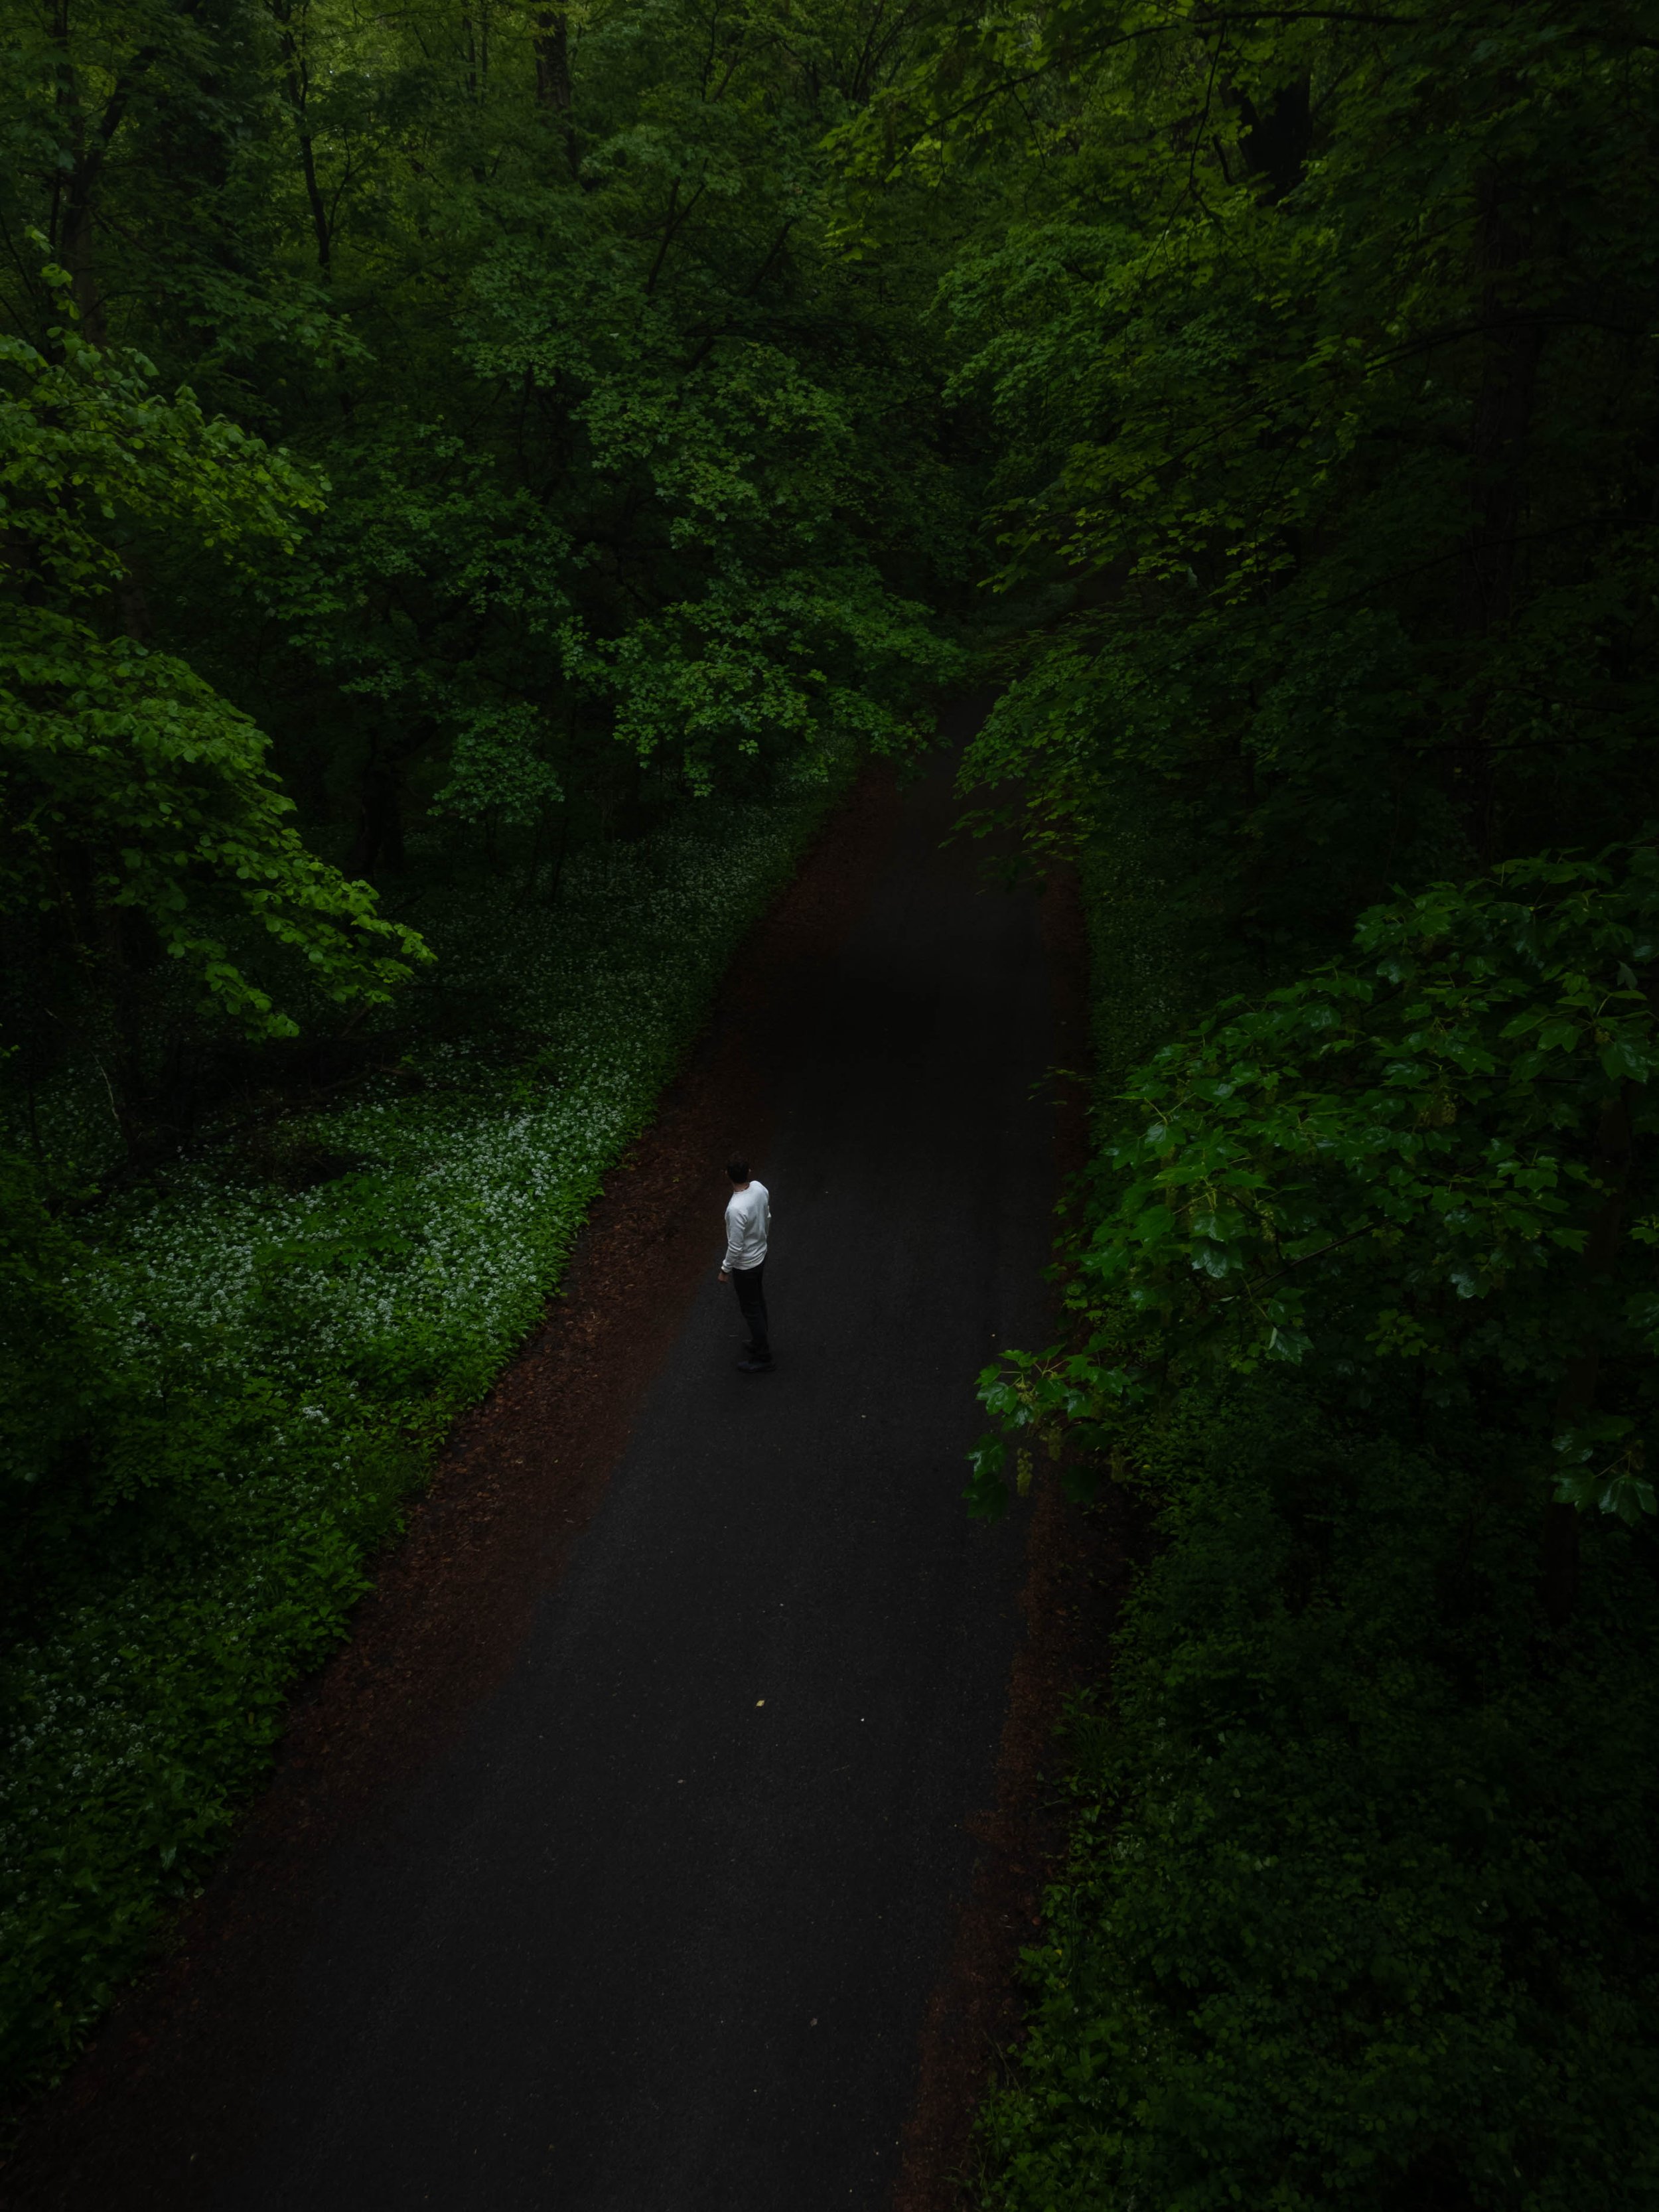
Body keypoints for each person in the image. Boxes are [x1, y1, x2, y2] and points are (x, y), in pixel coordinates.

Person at [719, 1156, 771, 1372]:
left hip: (746, 1266)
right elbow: (767, 1215)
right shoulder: (759, 1188)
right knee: (758, 1301)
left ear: (727, 1176)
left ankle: (764, 1357)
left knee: (751, 1309)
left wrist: (725, 1269)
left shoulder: (735, 1209)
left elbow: (735, 1246)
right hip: (760, 1255)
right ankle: (759, 1341)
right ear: (749, 1171)